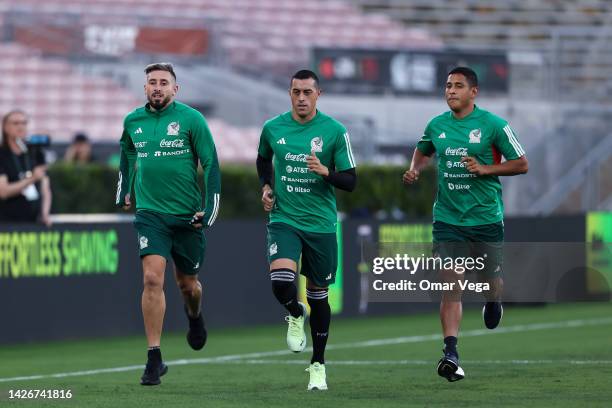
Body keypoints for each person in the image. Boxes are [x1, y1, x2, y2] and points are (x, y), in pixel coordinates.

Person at [403, 67, 528, 382]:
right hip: (448, 219)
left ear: (474, 92)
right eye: (447, 86)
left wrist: (485, 169)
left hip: (485, 218)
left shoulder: (493, 125)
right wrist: (415, 168)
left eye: (458, 86)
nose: (450, 91)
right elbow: (423, 149)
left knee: (489, 281)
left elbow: (522, 163)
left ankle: (493, 300)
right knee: (452, 282)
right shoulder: (437, 125)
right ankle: (451, 352)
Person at [115, 62, 221, 386]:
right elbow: (127, 153)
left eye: (163, 82)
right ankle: (154, 356)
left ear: (176, 89)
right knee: (151, 279)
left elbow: (211, 163)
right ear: (145, 88)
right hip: (150, 215)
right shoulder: (133, 121)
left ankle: (194, 314)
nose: (157, 87)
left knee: (188, 285)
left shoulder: (192, 120)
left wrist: (210, 208)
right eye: (152, 82)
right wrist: (125, 189)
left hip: (187, 217)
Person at [256, 69, 357, 391]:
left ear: (318, 95)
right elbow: (262, 160)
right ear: (289, 94)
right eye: (296, 92)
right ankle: (294, 311)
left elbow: (351, 181)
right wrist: (267, 187)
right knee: (281, 282)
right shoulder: (273, 128)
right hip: (285, 219)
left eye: (307, 92)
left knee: (320, 296)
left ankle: (318, 365)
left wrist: (326, 172)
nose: (301, 98)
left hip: (321, 226)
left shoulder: (334, 131)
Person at [0, 110, 52, 226]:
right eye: (16, 123)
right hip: (7, 224)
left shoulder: (35, 152)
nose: (21, 127)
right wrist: (32, 179)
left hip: (33, 222)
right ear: (5, 127)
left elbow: (45, 187)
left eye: (24, 123)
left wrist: (45, 214)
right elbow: (3, 191)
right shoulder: (2, 155)